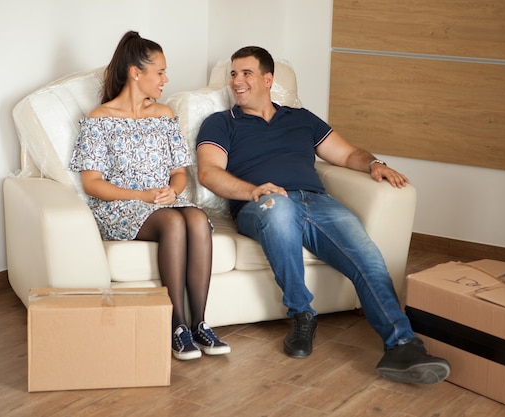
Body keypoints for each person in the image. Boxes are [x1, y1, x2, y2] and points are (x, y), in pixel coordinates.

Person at [195, 46, 449, 384]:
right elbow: (209, 173)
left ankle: (402, 346)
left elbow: (346, 154)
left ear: (268, 79)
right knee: (279, 207)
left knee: (368, 258)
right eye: (233, 74)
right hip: (263, 204)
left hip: (317, 202)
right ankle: (302, 314)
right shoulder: (220, 123)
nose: (236, 81)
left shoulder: (301, 118)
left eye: (246, 73)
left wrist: (375, 164)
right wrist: (252, 191)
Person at [69, 31, 230, 360]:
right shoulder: (99, 120)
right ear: (135, 72)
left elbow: (180, 172)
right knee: (172, 223)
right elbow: (92, 183)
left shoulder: (165, 114)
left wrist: (174, 190)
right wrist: (142, 195)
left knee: (197, 218)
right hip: (120, 206)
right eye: (160, 71)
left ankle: (200, 323)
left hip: (162, 200)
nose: (165, 79)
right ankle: (178, 326)